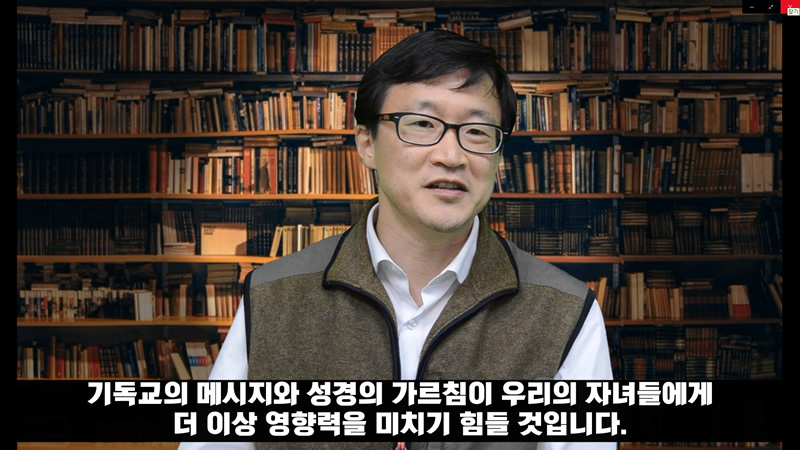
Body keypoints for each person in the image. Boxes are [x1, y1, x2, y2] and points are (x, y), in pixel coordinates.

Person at [180, 29, 613, 449]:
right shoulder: (272, 296)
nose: (451, 156)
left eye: (478, 132)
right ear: (367, 144)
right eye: (421, 124)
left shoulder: (566, 312)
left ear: (498, 157)